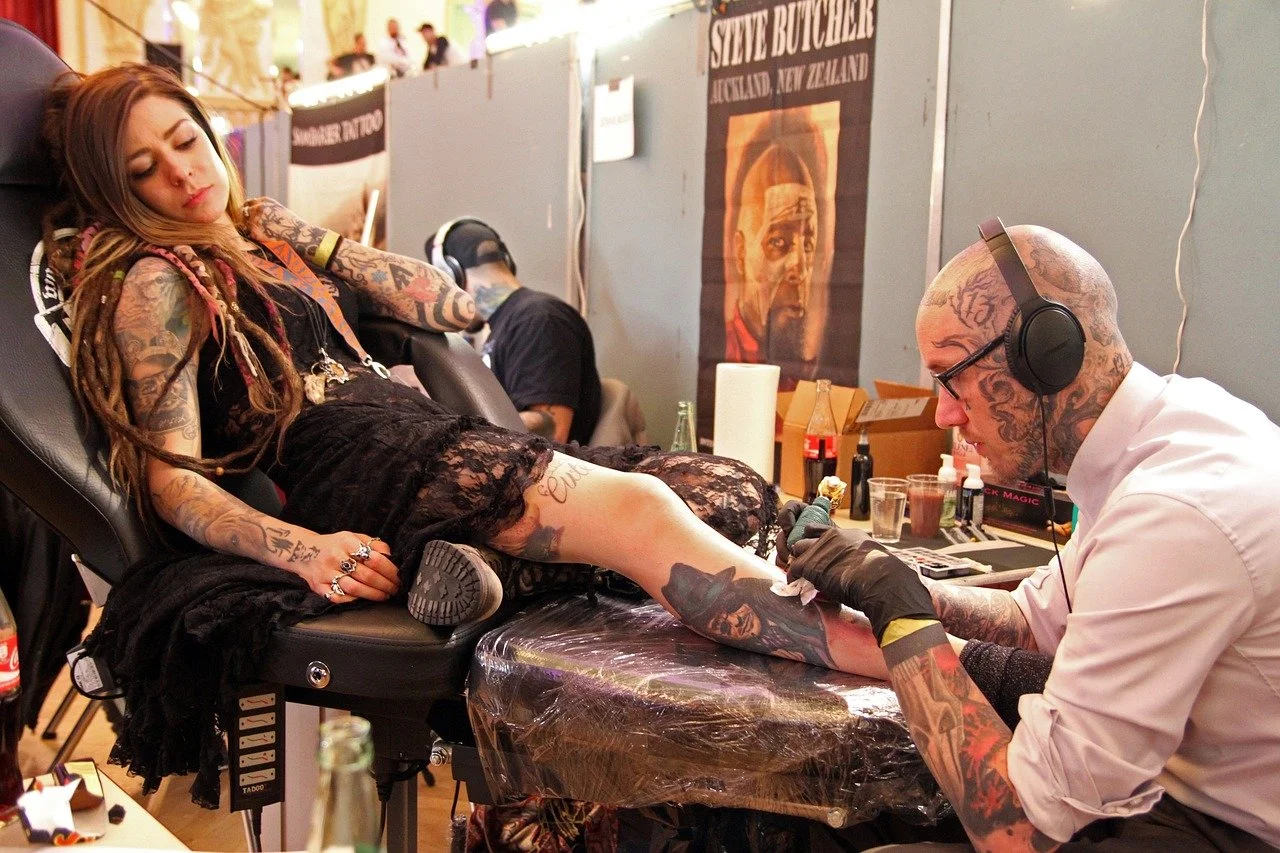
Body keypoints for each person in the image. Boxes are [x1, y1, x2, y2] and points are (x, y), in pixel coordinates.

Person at [40, 64, 893, 796]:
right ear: (120, 194)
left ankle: (488, 569)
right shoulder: (158, 279)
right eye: (145, 170)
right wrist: (302, 549)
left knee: (726, 488)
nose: (181, 173)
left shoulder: (271, 246)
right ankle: (913, 661)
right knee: (643, 515)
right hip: (353, 467)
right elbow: (171, 477)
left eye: (185, 141)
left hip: (425, 433)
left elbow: (449, 305)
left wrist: (295, 235)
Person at [786, 223, 1280, 849]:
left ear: (1046, 354)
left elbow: (1017, 830)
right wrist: (891, 581)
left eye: (951, 377)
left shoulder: (1174, 514)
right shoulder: (1161, 435)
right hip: (1175, 790)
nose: (944, 413)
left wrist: (902, 619)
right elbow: (1030, 620)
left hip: (1225, 828)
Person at [425, 218, 601, 445]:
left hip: (547, 466)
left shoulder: (538, 319)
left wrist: (460, 430)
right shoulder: (510, 324)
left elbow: (554, 432)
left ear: (452, 275)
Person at [727, 143, 817, 379]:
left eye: (808, 245)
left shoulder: (812, 372)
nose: (800, 270)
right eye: (778, 242)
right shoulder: (725, 352)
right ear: (740, 252)